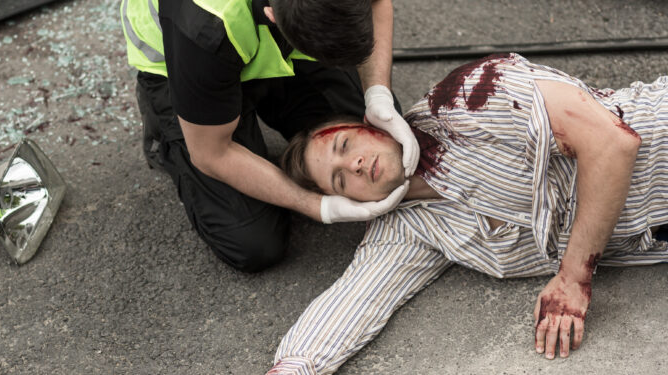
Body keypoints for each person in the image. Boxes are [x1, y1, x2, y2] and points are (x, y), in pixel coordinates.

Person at [267, 53, 668, 374]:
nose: (353, 164)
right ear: (346, 204)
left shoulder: (466, 97)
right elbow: (356, 298)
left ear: (368, 124)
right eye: (339, 181)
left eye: (345, 144)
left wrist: (573, 278)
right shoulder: (411, 229)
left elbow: (612, 142)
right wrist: (294, 367)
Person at [120, 0, 420, 272]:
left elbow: (377, 3)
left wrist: (378, 93)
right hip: (183, 66)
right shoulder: (205, 27)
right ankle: (169, 127)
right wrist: (316, 206)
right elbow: (212, 154)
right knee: (253, 241)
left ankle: (274, 95)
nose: (355, 165)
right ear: (273, 16)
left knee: (376, 126)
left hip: (259, 40)